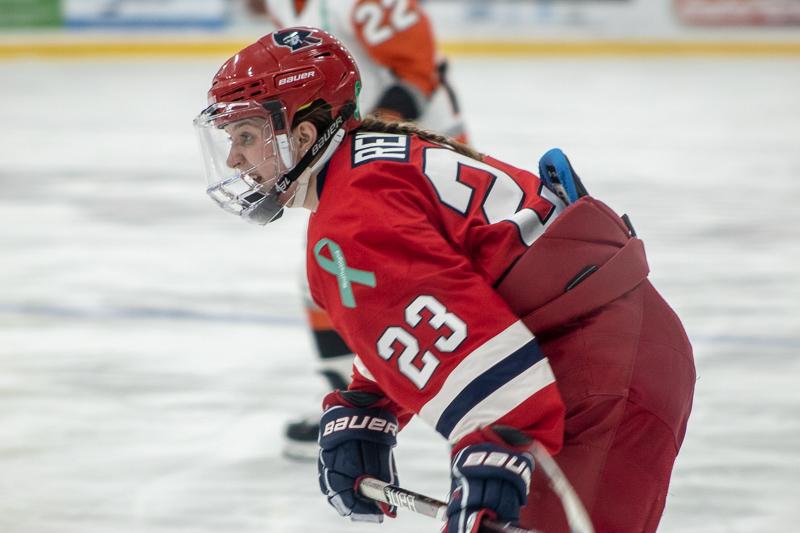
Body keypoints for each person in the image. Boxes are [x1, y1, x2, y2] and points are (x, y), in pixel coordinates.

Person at [193, 27, 695, 533]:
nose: (234, 158)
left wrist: (497, 443)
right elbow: (433, 305)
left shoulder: (350, 218)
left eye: (247, 136)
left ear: (300, 135)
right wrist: (369, 403)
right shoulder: (368, 166)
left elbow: (465, 337)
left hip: (596, 373)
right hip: (600, 348)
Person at [244, 0, 469, 455]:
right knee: (323, 273)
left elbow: (416, 73)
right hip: (358, 149)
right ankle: (345, 401)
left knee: (461, 273)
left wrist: (355, 134)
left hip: (421, 150)